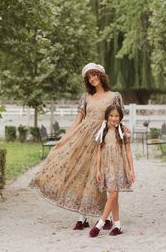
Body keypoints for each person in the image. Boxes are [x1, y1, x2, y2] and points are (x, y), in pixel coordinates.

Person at [30, 62, 124, 230]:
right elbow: (77, 122)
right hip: (83, 139)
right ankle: (82, 218)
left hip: (103, 139)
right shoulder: (86, 97)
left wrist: (118, 141)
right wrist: (64, 139)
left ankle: (107, 217)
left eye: (94, 75)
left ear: (101, 76)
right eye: (88, 77)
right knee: (80, 174)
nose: (92, 78)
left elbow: (117, 120)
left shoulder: (113, 96)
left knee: (101, 177)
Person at [89, 104, 135, 238]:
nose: (114, 118)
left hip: (119, 167)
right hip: (106, 168)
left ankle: (100, 224)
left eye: (116, 116)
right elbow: (99, 152)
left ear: (120, 117)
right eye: (111, 116)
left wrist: (131, 169)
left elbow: (128, 151)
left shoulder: (123, 131)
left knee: (114, 194)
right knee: (113, 197)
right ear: (107, 116)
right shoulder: (102, 130)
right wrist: (98, 170)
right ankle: (118, 226)